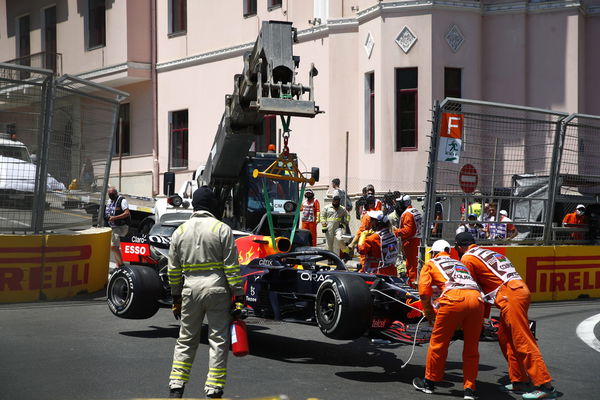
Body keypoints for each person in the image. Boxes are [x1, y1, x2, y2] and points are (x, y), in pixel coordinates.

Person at [455, 232, 558, 399]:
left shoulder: (467, 258)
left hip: (510, 295)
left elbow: (471, 290)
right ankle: (519, 380)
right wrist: (483, 318)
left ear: (459, 247)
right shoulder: (489, 252)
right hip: (517, 290)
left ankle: (545, 385)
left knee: (522, 340)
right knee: (505, 338)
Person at [167, 187, 244, 399]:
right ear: (212, 205)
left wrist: (175, 297)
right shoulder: (222, 229)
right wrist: (238, 296)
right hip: (217, 289)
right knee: (218, 340)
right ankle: (214, 390)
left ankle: (176, 387)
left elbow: (173, 270)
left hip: (190, 290)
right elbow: (231, 267)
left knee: (185, 340)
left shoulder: (180, 232)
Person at [412, 240, 484, 400]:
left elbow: (424, 292)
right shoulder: (459, 264)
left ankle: (429, 383)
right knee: (472, 348)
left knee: (438, 344)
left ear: (433, 253)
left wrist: (429, 313)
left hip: (453, 300)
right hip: (477, 300)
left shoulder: (431, 263)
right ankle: (470, 390)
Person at [357, 210, 398, 276]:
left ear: (377, 223)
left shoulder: (372, 239)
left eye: (372, 220)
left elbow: (361, 250)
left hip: (376, 273)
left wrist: (363, 237)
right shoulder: (393, 234)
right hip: (391, 270)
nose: (370, 222)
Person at [394, 195, 422, 286]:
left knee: (411, 265)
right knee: (412, 264)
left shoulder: (407, 214)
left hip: (411, 242)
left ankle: (412, 285)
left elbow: (408, 231)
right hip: (416, 240)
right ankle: (412, 282)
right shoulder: (415, 211)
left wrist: (396, 231)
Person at [105, 187, 130, 268]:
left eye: (112, 193)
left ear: (116, 193)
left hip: (121, 227)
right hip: (113, 227)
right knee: (115, 247)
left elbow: (127, 213)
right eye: (109, 193)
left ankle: (121, 265)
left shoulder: (122, 200)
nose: (110, 195)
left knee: (113, 246)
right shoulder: (109, 201)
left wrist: (114, 218)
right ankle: (118, 266)